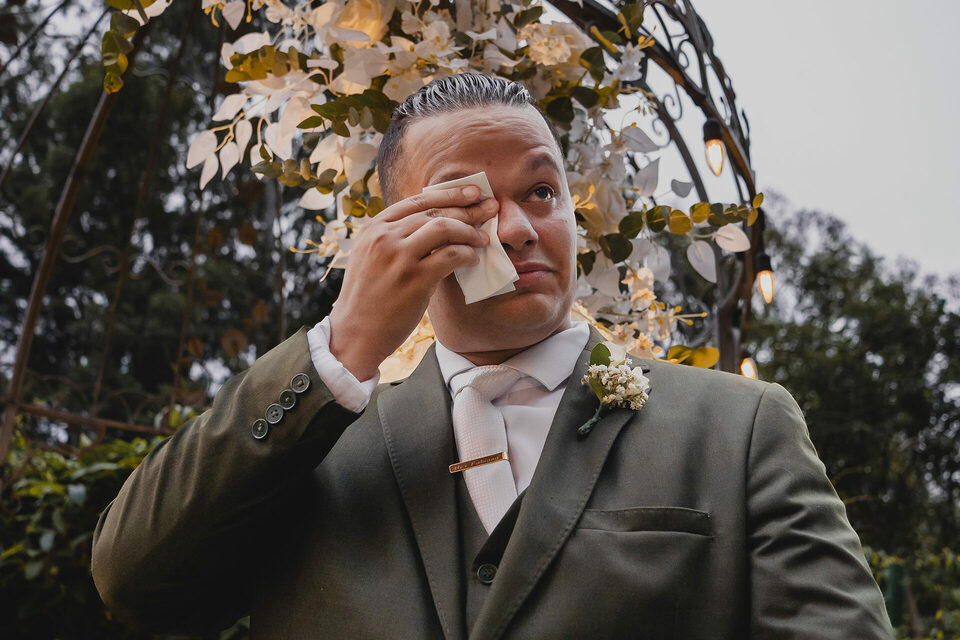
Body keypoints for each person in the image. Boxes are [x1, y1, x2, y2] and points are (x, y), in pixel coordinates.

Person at [91, 74, 893, 639]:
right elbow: (135, 584)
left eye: (541, 192)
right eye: (469, 201)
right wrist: (342, 348)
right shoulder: (310, 456)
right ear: (398, 231)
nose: (517, 228)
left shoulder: (740, 427)